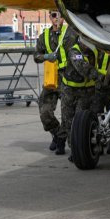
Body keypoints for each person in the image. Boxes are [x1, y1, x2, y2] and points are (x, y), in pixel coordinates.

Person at [58, 37, 102, 158]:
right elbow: (82, 67)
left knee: (79, 121)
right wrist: (99, 76)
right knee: (68, 121)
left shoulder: (94, 51)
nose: (87, 45)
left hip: (85, 93)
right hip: (69, 91)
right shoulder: (74, 51)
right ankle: (74, 150)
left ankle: (80, 149)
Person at [33, 11, 69, 152]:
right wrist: (46, 56)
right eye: (54, 15)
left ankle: (61, 141)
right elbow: (36, 56)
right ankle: (57, 134)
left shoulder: (70, 33)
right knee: (45, 112)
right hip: (51, 79)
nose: (57, 18)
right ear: (50, 17)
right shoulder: (44, 36)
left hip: (67, 79)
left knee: (67, 114)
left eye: (60, 15)